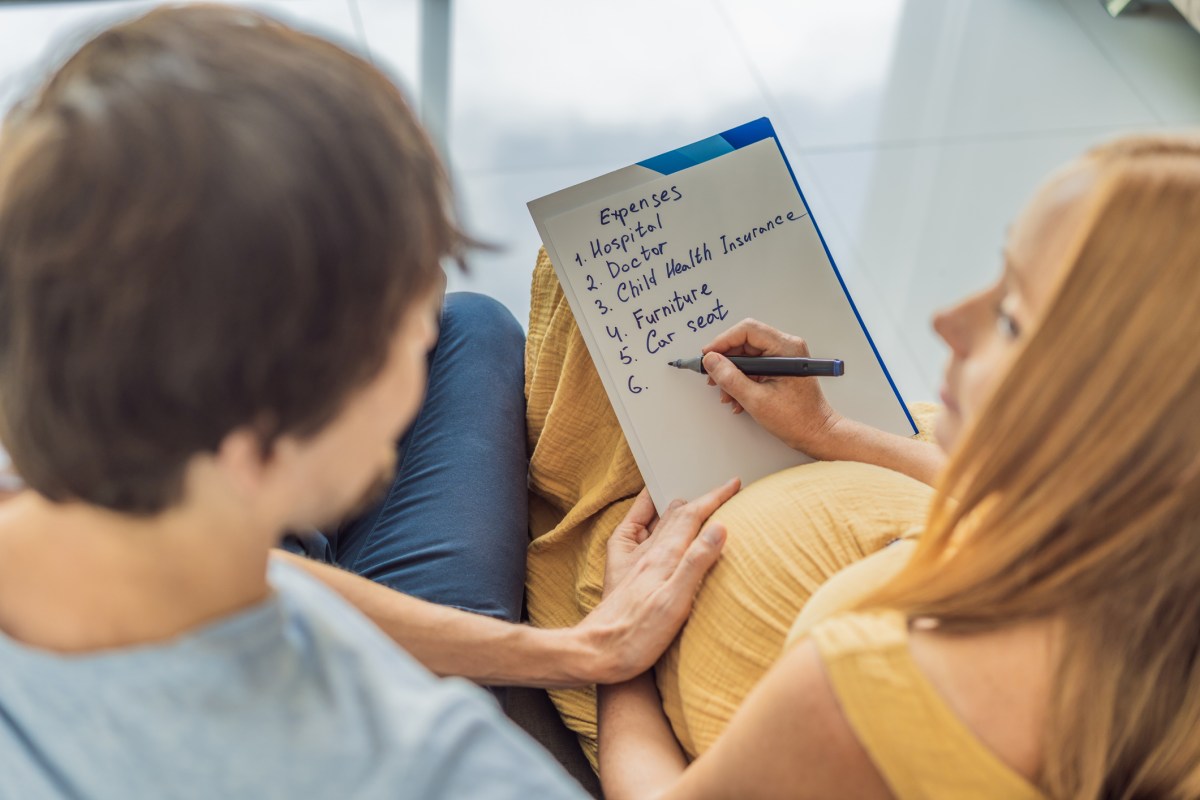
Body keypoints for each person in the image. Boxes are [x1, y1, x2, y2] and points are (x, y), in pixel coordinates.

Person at [0, 6, 737, 797]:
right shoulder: (436, 764)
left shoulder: (146, 518)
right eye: (400, 331)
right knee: (473, 327)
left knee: (470, 325)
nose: (421, 334)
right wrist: (619, 670)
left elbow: (261, 567)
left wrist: (584, 651)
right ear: (261, 444)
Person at [597, 135, 1200, 798]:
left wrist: (616, 650)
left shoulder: (878, 687)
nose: (946, 319)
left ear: (1125, 421)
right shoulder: (1153, 553)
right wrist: (829, 431)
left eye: (1010, 316)